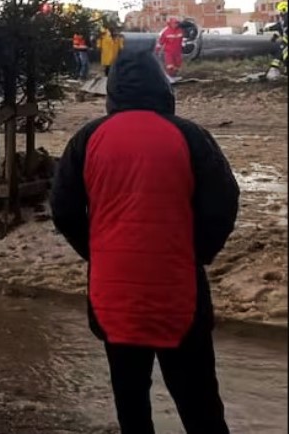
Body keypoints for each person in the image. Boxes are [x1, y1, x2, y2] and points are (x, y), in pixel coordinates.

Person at [51, 50, 239, 434]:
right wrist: (197, 252)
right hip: (179, 293)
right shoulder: (190, 135)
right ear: (161, 86)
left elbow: (64, 210)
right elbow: (223, 204)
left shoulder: (87, 139)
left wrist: (97, 252)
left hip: (112, 296)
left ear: (113, 89)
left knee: (131, 405)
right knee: (200, 405)